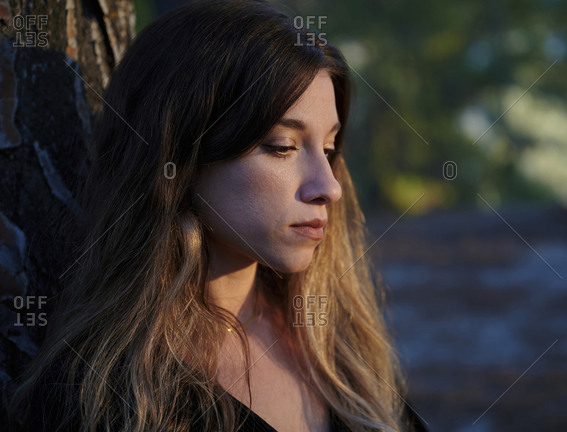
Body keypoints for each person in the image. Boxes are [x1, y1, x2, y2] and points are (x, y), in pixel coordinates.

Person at [9, 1, 428, 431]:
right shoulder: (104, 395)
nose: (330, 187)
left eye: (328, 149)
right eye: (283, 146)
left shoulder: (342, 348)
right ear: (180, 158)